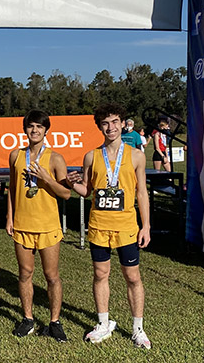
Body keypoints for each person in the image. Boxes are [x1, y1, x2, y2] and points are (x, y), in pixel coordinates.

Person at [68, 103, 152, 349]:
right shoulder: (91, 156)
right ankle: (103, 323)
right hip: (99, 226)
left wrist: (145, 226)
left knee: (132, 277)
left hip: (126, 226)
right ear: (99, 127)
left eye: (115, 121)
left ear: (122, 123)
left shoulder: (136, 155)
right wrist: (70, 183)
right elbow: (87, 190)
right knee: (100, 275)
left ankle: (138, 328)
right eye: (105, 123)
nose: (110, 127)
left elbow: (142, 194)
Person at [5, 110, 71, 341]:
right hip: (23, 225)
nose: (34, 131)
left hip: (48, 226)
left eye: (39, 127)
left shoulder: (55, 158)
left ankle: (54, 321)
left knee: (51, 276)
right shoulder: (15, 156)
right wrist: (10, 217)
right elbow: (12, 189)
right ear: (25, 129)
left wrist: (47, 179)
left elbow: (65, 194)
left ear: (46, 130)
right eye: (31, 126)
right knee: (25, 274)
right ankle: (28, 318)